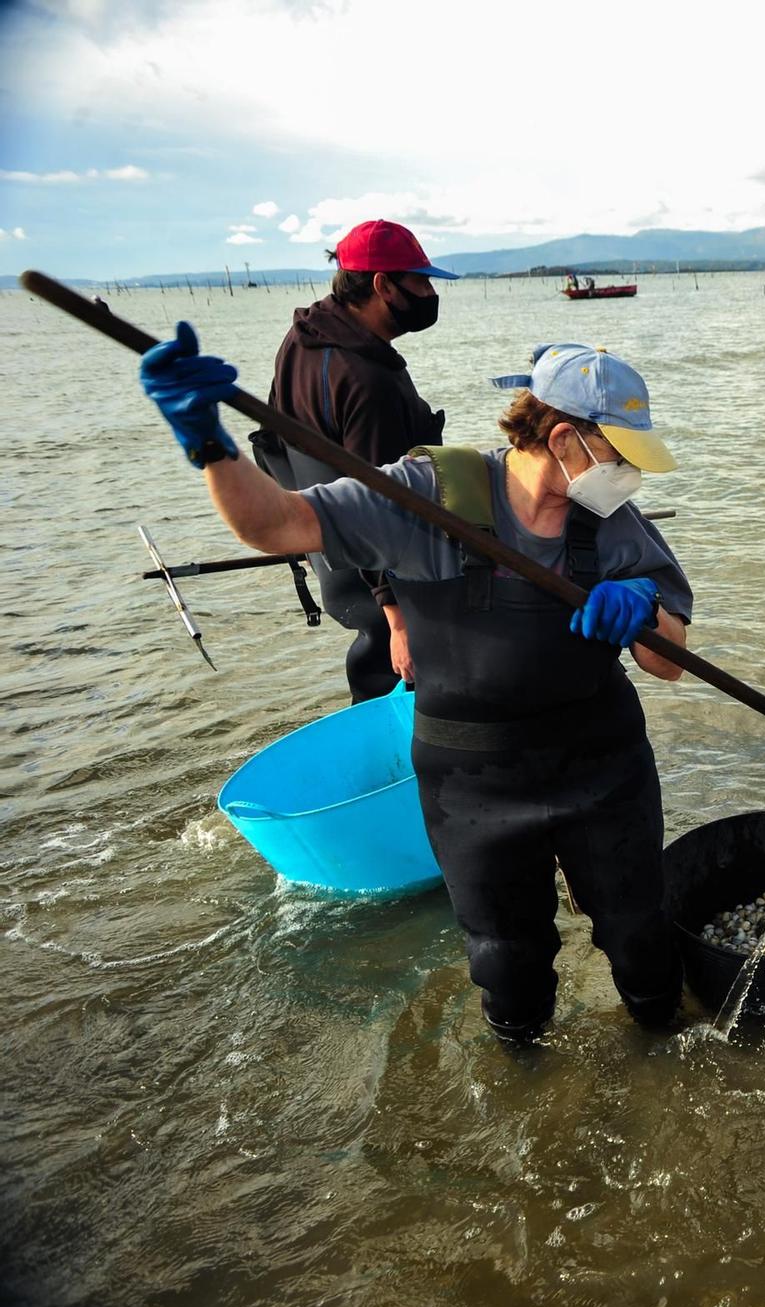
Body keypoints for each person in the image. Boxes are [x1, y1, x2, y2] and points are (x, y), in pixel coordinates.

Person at [140, 328, 694, 1043]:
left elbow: (671, 661)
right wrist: (208, 441)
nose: (626, 473)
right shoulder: (424, 494)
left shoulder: (614, 524)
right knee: (507, 963)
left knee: (640, 936)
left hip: (602, 764)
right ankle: (526, 1088)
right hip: (473, 783)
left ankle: (661, 1044)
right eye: (619, 452)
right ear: (564, 439)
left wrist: (645, 612)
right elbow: (274, 524)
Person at [251, 219, 457, 703]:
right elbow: (376, 503)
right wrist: (397, 617)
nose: (429, 293)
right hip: (379, 577)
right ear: (382, 284)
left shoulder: (302, 339)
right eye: (420, 281)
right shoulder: (367, 381)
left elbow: (274, 447)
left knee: (375, 681)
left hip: (326, 552)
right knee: (411, 691)